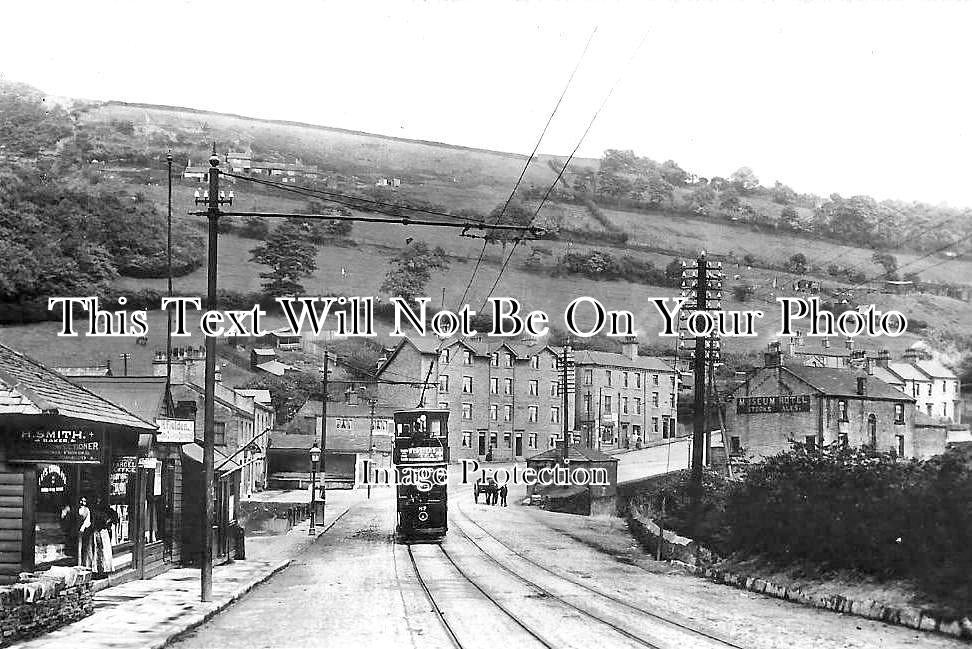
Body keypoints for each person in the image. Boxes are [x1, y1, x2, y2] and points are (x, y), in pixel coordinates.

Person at [90, 498, 117, 576]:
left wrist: (109, 522)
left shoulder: (107, 510)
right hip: (96, 532)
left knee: (104, 551)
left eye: (99, 500)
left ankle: (104, 569)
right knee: (97, 551)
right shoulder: (93, 511)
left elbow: (114, 517)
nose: (98, 501)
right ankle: (97, 570)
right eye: (96, 500)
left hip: (103, 532)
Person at [76, 497, 94, 568]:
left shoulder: (87, 510)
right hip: (76, 530)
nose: (82, 503)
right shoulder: (76, 509)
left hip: (84, 530)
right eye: (81, 501)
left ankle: (84, 563)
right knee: (78, 546)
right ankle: (78, 562)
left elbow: (87, 521)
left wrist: (83, 527)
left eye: (84, 501)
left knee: (85, 546)